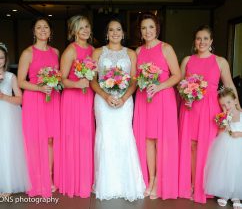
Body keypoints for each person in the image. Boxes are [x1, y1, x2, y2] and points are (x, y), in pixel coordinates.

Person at [178, 25, 241, 203]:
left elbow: (229, 85)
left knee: (208, 148)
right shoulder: (187, 60)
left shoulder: (220, 61)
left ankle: (204, 184)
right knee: (191, 146)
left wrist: (237, 107)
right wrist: (185, 96)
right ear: (194, 41)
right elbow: (180, 84)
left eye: (205, 38)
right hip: (190, 109)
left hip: (211, 109)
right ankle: (191, 183)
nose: (202, 42)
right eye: (198, 38)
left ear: (211, 41)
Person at [91, 18, 145, 201]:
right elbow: (92, 80)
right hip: (102, 100)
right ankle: (106, 184)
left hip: (125, 101)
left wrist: (123, 98)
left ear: (123, 33)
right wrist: (106, 96)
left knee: (124, 136)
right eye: (111, 30)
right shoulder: (97, 52)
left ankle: (127, 183)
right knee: (105, 137)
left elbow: (134, 80)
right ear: (107, 33)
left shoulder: (131, 53)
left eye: (119, 29)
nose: (115, 33)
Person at [133, 12, 181, 200]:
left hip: (163, 99)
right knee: (147, 141)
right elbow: (136, 79)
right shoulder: (138, 52)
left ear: (157, 28)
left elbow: (177, 75)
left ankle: (161, 180)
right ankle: (151, 179)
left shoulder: (166, 48)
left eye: (151, 27)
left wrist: (159, 86)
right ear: (140, 31)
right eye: (144, 28)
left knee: (162, 140)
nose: (148, 31)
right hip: (144, 100)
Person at [18, 17, 60, 197]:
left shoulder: (56, 52)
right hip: (34, 100)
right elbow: (20, 81)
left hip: (52, 99)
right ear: (34, 32)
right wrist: (40, 87)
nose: (43, 30)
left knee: (50, 140)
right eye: (38, 27)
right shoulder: (27, 53)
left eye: (46, 27)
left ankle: (49, 177)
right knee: (35, 141)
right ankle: (36, 179)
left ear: (50, 32)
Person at [56, 15, 95, 198]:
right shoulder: (70, 51)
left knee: (87, 138)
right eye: (81, 28)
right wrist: (77, 84)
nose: (85, 30)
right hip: (72, 99)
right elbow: (61, 80)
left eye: (87, 26)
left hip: (88, 99)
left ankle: (86, 181)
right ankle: (73, 181)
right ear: (74, 31)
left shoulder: (94, 50)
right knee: (73, 139)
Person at [204, 87, 242, 209]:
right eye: (223, 105)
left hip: (239, 145)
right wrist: (224, 124)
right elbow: (221, 131)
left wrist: (239, 134)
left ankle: (236, 195)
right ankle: (225, 194)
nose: (227, 106)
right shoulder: (225, 116)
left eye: (229, 102)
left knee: (237, 169)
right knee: (226, 168)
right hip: (226, 145)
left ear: (235, 100)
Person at [0, 43, 29, 197]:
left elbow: (20, 99)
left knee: (6, 148)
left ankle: (7, 186)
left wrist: (4, 97)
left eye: (1, 57)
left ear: (5, 60)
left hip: (7, 116)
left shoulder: (11, 76)